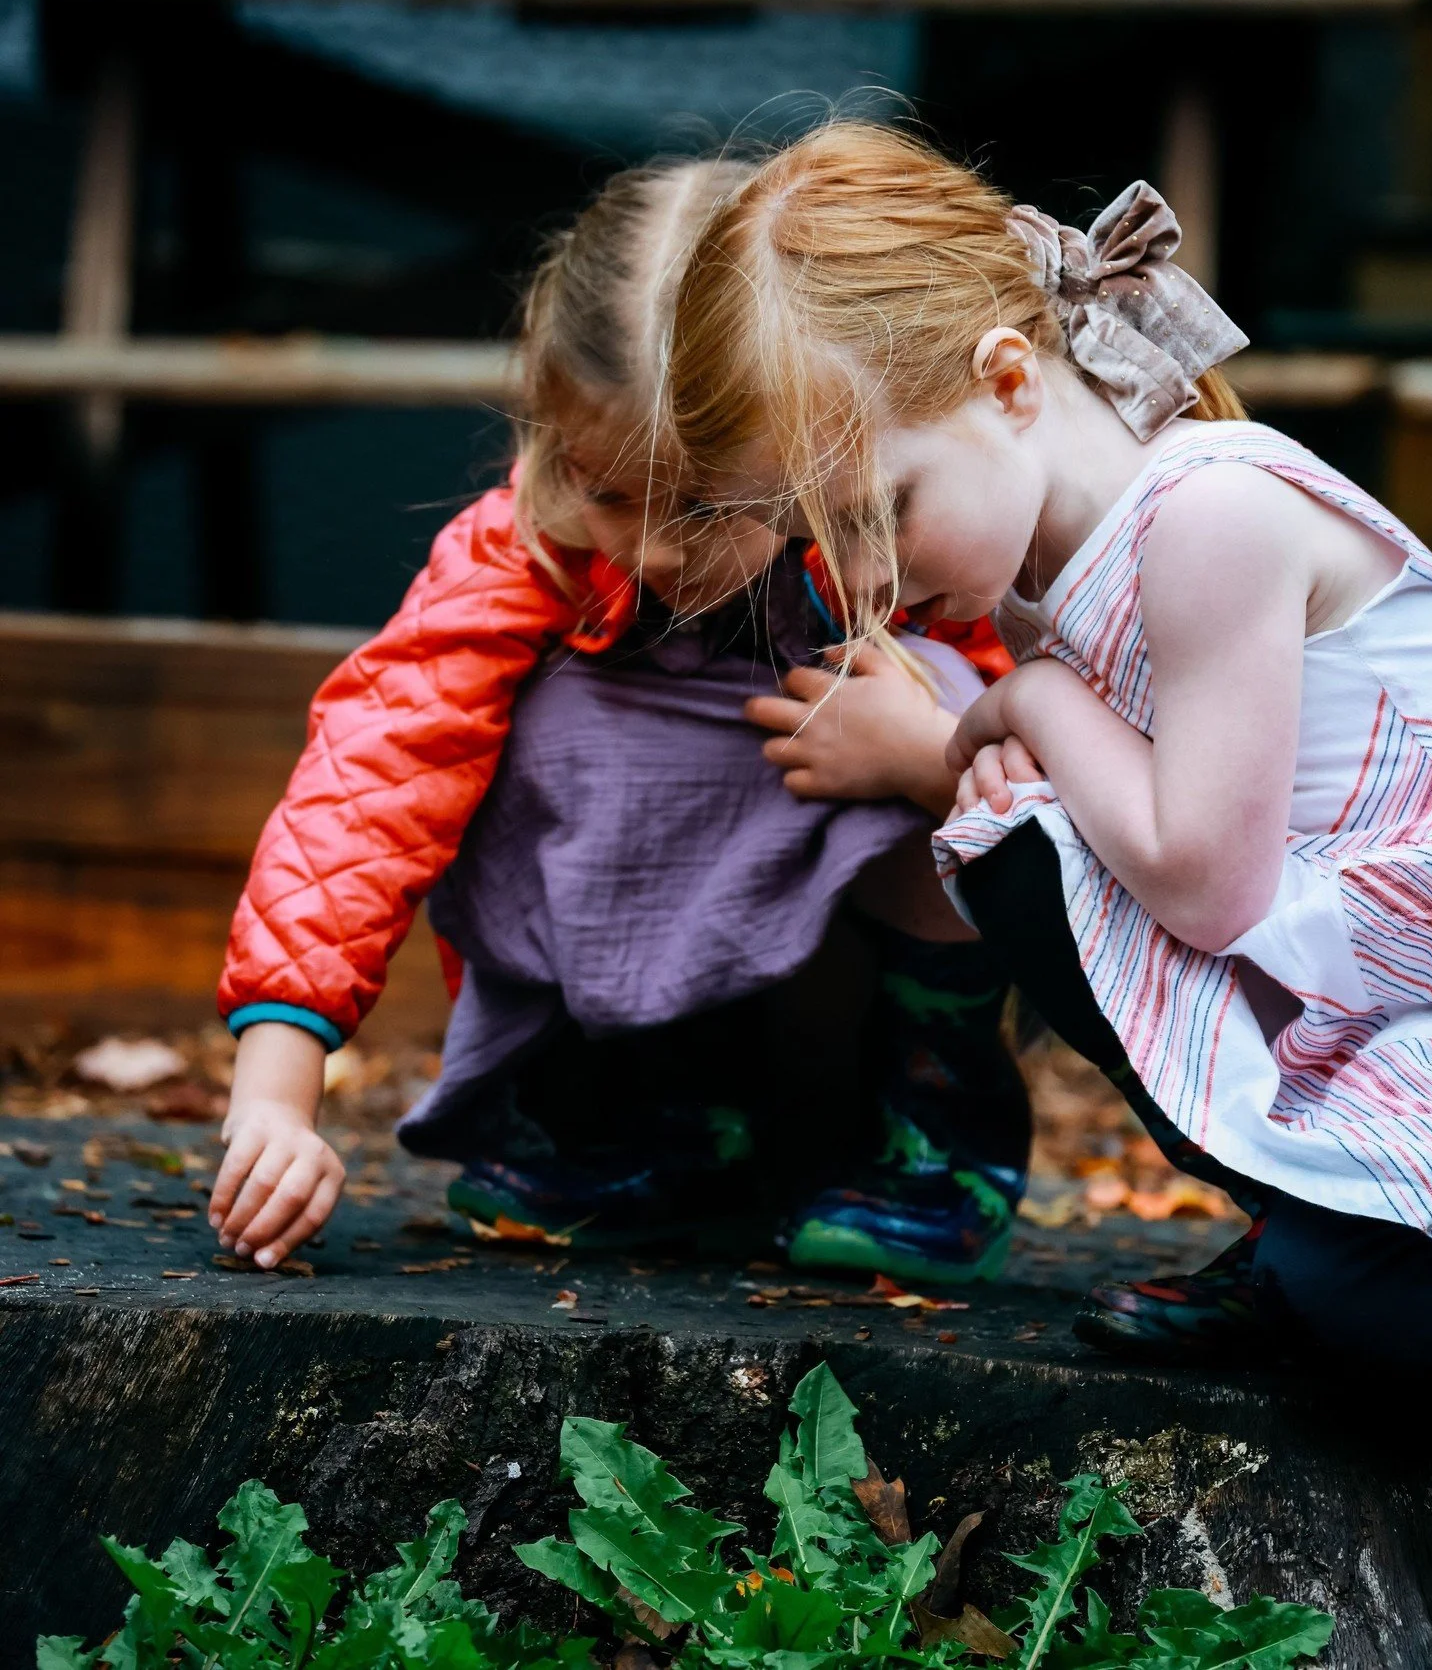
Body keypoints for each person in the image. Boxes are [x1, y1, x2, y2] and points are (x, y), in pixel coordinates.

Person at [664, 120, 1432, 1371]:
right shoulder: (1046, 569)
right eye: (819, 539)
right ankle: (1304, 1220)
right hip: (1360, 995)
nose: (863, 577)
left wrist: (1023, 708)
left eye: (880, 511)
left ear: (1010, 380)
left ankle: (1326, 1242)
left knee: (1362, 1305)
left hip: (1408, 983)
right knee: (1014, 844)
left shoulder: (1207, 516)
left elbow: (1208, 879)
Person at [209, 157, 1031, 1285]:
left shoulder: (890, 553)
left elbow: (1032, 764)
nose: (648, 550)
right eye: (605, 487)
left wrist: (925, 756)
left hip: (829, 1012)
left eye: (700, 502)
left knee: (930, 686)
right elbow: (371, 773)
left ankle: (935, 1143)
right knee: (551, 726)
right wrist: (277, 1089)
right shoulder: (528, 550)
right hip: (618, 1011)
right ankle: (649, 1129)